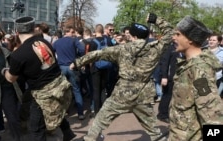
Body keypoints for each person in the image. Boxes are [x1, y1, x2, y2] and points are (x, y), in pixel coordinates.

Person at [70, 13, 173, 141]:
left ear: (133, 36)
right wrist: (156, 19)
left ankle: (90, 138)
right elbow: (170, 34)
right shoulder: (155, 48)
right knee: (151, 127)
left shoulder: (122, 49)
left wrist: (77, 63)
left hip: (123, 93)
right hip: (143, 93)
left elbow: (97, 54)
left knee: (102, 117)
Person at [2, 16, 75, 141]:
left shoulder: (18, 55)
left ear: (17, 32)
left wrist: (4, 71)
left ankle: (67, 134)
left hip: (43, 94)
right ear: (33, 28)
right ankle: (68, 134)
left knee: (36, 128)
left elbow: (11, 79)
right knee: (57, 109)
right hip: (60, 85)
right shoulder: (45, 42)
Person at [169, 16, 223, 140]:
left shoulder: (199, 70)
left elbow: (211, 112)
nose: (173, 37)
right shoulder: (187, 64)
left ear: (190, 40)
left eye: (178, 34)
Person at [53, 25, 85, 120]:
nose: (74, 34)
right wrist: (78, 59)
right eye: (72, 32)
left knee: (62, 91)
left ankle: (64, 111)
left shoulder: (57, 42)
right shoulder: (74, 40)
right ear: (69, 32)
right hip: (72, 66)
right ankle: (80, 113)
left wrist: (56, 61)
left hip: (61, 67)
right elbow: (82, 49)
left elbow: (51, 52)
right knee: (76, 90)